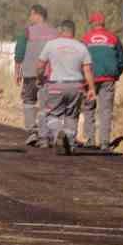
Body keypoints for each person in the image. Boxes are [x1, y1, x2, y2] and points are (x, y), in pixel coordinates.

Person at [38, 20, 97, 156]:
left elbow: (40, 65)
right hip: (76, 86)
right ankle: (70, 143)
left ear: (60, 30)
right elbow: (87, 70)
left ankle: (58, 132)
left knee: (52, 114)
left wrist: (40, 78)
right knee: (72, 115)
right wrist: (92, 89)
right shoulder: (81, 47)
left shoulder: (51, 45)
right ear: (73, 31)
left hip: (55, 85)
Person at [77, 12, 123, 150]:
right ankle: (105, 142)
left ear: (93, 23)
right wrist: (115, 74)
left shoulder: (85, 39)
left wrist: (81, 78)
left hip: (89, 80)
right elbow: (122, 60)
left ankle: (89, 140)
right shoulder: (113, 38)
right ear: (103, 23)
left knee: (88, 108)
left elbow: (79, 60)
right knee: (105, 110)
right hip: (108, 79)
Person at [13, 5, 57, 147]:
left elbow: (19, 52)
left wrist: (17, 72)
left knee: (28, 100)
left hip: (30, 73)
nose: (30, 18)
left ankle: (32, 131)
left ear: (37, 15)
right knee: (46, 105)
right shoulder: (55, 32)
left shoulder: (27, 31)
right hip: (49, 74)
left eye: (31, 15)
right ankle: (46, 136)